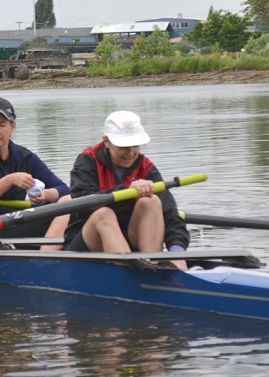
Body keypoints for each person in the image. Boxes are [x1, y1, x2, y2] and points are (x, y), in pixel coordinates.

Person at [64, 110, 189, 270]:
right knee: (104, 214)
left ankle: (154, 265)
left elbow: (171, 214)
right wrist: (127, 192)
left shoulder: (146, 167)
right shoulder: (87, 161)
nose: (130, 153)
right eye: (123, 146)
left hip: (130, 241)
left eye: (135, 146)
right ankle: (131, 274)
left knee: (151, 201)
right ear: (106, 141)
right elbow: (84, 207)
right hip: (85, 243)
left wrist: (176, 252)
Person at [0, 97, 70, 246]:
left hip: (15, 225)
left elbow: (63, 189)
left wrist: (46, 195)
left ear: (13, 126)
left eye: (2, 125)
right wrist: (9, 181)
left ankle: (48, 255)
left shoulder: (24, 157)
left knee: (66, 203)